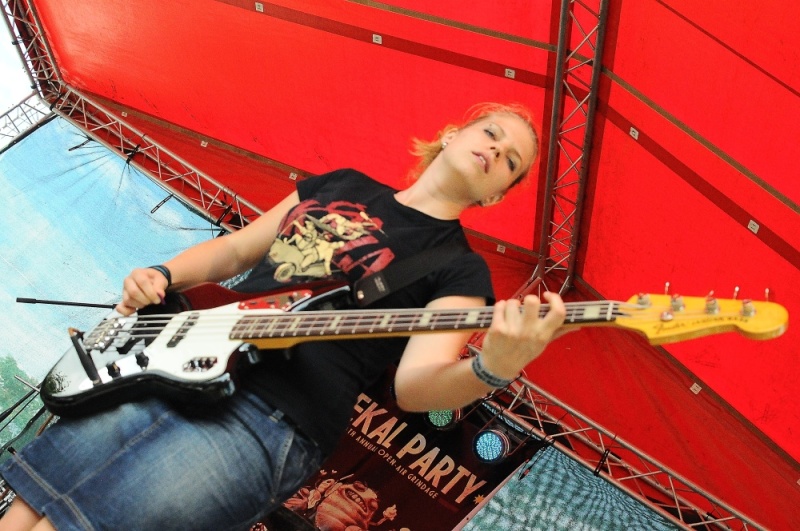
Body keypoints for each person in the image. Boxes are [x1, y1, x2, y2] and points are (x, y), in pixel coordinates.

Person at [0, 102, 567, 530]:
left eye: (510, 161)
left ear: (496, 195)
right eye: (491, 133)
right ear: (452, 134)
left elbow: (416, 387)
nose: (496, 150)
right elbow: (236, 251)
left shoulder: (461, 271)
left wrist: (492, 368)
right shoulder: (342, 184)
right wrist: (163, 274)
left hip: (267, 421)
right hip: (173, 358)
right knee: (33, 501)